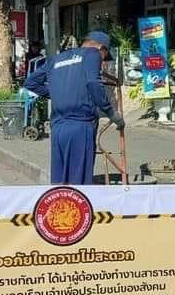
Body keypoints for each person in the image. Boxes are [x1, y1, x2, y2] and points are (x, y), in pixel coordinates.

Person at [24, 31, 125, 185]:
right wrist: (111, 113)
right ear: (101, 48)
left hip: (58, 129)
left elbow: (30, 82)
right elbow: (93, 83)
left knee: (60, 183)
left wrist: (60, 94)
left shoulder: (57, 59)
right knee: (79, 183)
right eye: (104, 57)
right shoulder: (92, 54)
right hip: (81, 126)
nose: (103, 62)